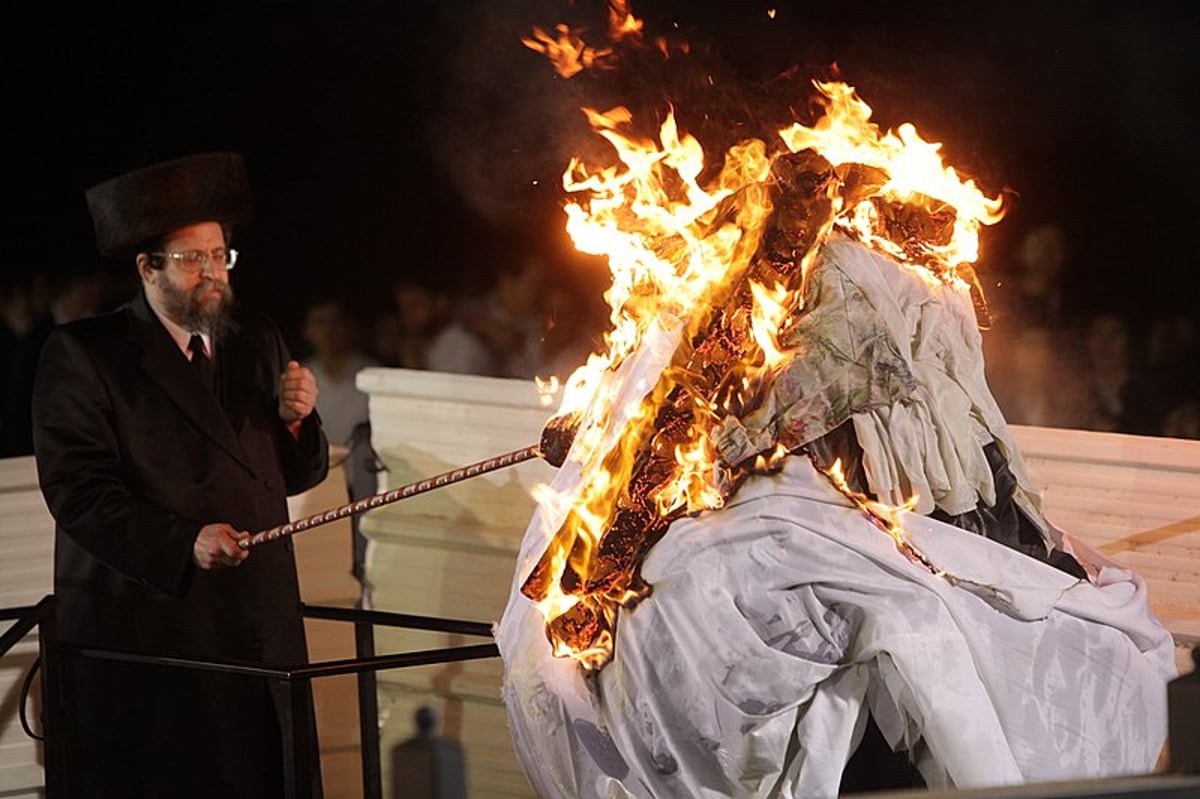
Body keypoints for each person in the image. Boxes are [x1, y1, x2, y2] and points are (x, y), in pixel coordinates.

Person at [32, 152, 329, 797]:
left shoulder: (256, 338)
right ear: (148, 268)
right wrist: (182, 541)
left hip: (259, 625)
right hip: (158, 631)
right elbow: (77, 491)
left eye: (221, 256)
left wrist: (297, 423)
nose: (213, 273)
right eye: (194, 259)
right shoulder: (87, 354)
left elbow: (291, 474)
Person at [301, 297, 378, 447]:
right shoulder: (299, 378)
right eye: (320, 322)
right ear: (307, 331)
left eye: (335, 322)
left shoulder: (374, 376)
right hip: (315, 467)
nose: (328, 331)